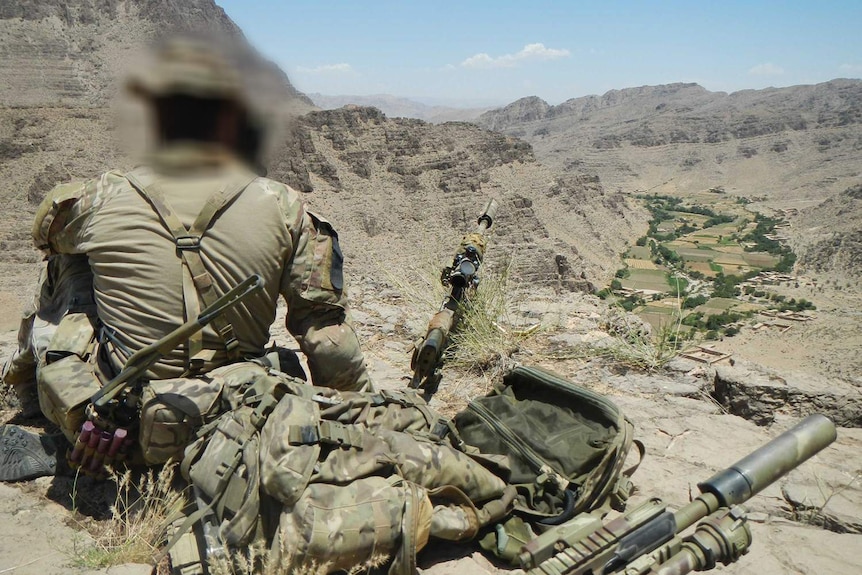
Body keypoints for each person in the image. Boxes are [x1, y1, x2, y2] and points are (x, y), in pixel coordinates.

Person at [0, 38, 371, 481]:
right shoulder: (286, 206)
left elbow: (45, 239)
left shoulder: (97, 197)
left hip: (117, 432)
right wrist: (360, 418)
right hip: (238, 427)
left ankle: (22, 386)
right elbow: (323, 332)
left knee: (69, 261)